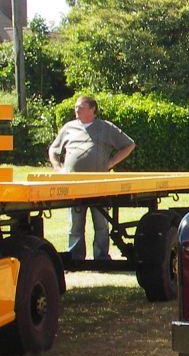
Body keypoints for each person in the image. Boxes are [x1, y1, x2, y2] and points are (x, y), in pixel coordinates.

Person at [48, 95, 136, 261]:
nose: (76, 110)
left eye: (80, 107)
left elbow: (129, 144)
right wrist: (57, 168)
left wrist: (111, 163)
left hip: (98, 185)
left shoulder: (105, 128)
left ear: (92, 110)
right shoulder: (69, 128)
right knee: (75, 224)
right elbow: (53, 149)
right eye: (75, 107)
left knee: (101, 223)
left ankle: (101, 257)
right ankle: (75, 257)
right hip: (74, 186)